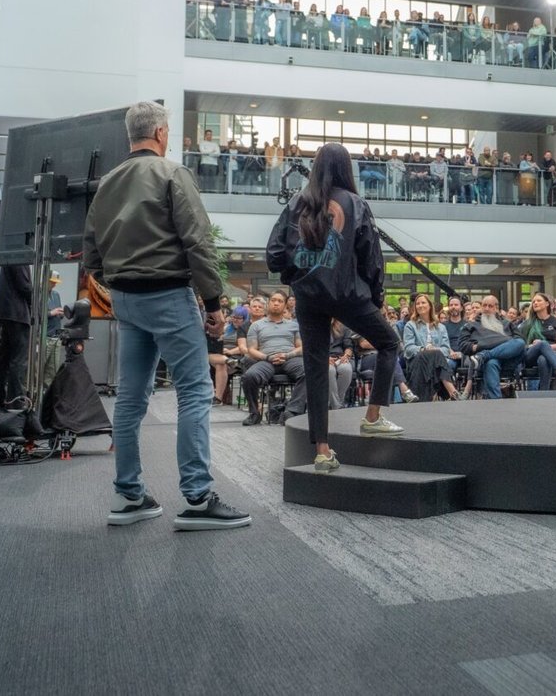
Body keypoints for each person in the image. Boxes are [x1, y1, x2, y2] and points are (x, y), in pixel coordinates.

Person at [81, 101, 249, 530]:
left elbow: (91, 255)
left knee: (131, 397)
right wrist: (213, 304)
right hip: (168, 295)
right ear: (160, 133)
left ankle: (128, 495)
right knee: (194, 392)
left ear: (130, 135)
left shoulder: (106, 185)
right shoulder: (173, 173)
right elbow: (198, 243)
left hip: (126, 300)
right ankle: (197, 498)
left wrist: (120, 281)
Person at [265, 142, 404, 474]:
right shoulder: (355, 203)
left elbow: (274, 253)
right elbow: (371, 256)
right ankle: (372, 418)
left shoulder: (298, 202)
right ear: (346, 168)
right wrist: (376, 296)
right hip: (348, 295)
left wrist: (295, 276)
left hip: (309, 296)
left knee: (315, 368)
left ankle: (323, 452)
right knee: (389, 343)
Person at [238, 291, 302, 425]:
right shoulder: (256, 325)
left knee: (309, 372)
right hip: (266, 360)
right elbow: (251, 350)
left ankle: (292, 411)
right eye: (273, 300)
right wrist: (268, 357)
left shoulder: (294, 325)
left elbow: (301, 347)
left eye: (280, 301)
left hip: (289, 359)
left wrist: (287, 355)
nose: (276, 303)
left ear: (285, 306)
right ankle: (254, 413)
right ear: (268, 303)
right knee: (249, 376)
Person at [0, 263, 32, 410]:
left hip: (4, 313)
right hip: (17, 313)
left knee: (3, 361)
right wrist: (36, 304)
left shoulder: (8, 253)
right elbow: (25, 286)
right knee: (18, 361)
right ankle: (16, 404)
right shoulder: (19, 255)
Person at [401, 294, 457, 401]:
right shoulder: (410, 325)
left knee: (436, 355)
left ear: (430, 306)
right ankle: (452, 391)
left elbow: (446, 349)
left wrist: (435, 350)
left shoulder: (441, 327)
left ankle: (442, 394)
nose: (420, 305)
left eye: (423, 302)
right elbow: (408, 349)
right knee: (435, 354)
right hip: (417, 360)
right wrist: (424, 349)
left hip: (436, 361)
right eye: (418, 303)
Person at [518, 292, 556, 389]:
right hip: (531, 355)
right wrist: (533, 346)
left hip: (554, 356)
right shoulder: (527, 324)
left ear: (547, 303)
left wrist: (544, 347)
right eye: (533, 301)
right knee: (542, 344)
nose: (535, 303)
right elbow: (520, 344)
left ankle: (543, 393)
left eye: (539, 301)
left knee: (543, 358)